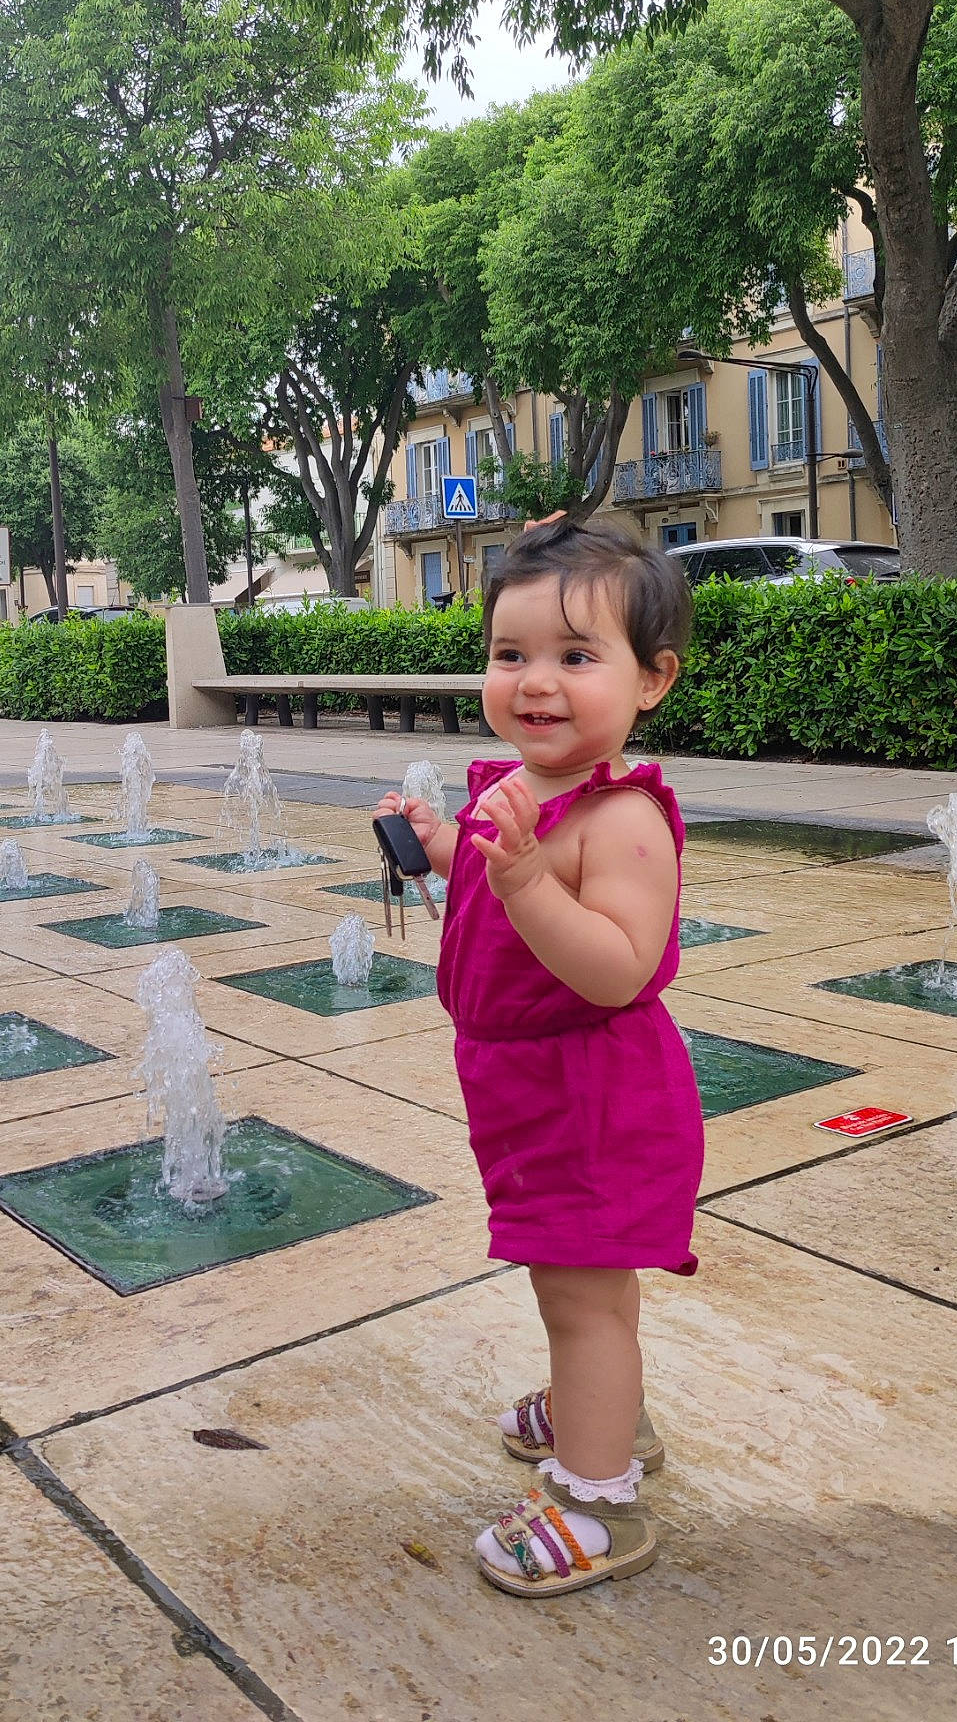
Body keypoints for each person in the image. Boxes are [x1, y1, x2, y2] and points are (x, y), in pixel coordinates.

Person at [376, 513, 700, 1598]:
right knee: (579, 1282)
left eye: (574, 655)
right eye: (509, 654)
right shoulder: (513, 793)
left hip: (594, 1093)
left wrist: (523, 882)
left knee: (581, 1293)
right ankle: (600, 1411)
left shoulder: (621, 821)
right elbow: (469, 867)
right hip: (524, 1084)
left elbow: (615, 965)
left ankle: (598, 1503)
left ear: (650, 680)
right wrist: (429, 840)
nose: (534, 681)